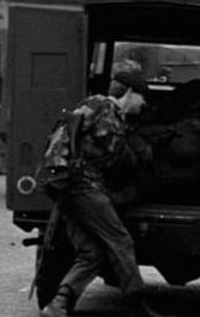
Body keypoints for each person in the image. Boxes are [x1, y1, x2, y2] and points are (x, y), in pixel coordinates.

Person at [40, 70, 163, 317]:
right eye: (142, 98)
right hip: (84, 187)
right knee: (120, 240)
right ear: (129, 93)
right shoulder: (107, 111)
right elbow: (116, 157)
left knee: (92, 253)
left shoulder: (92, 105)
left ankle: (58, 304)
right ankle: (138, 305)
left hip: (67, 187)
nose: (144, 105)